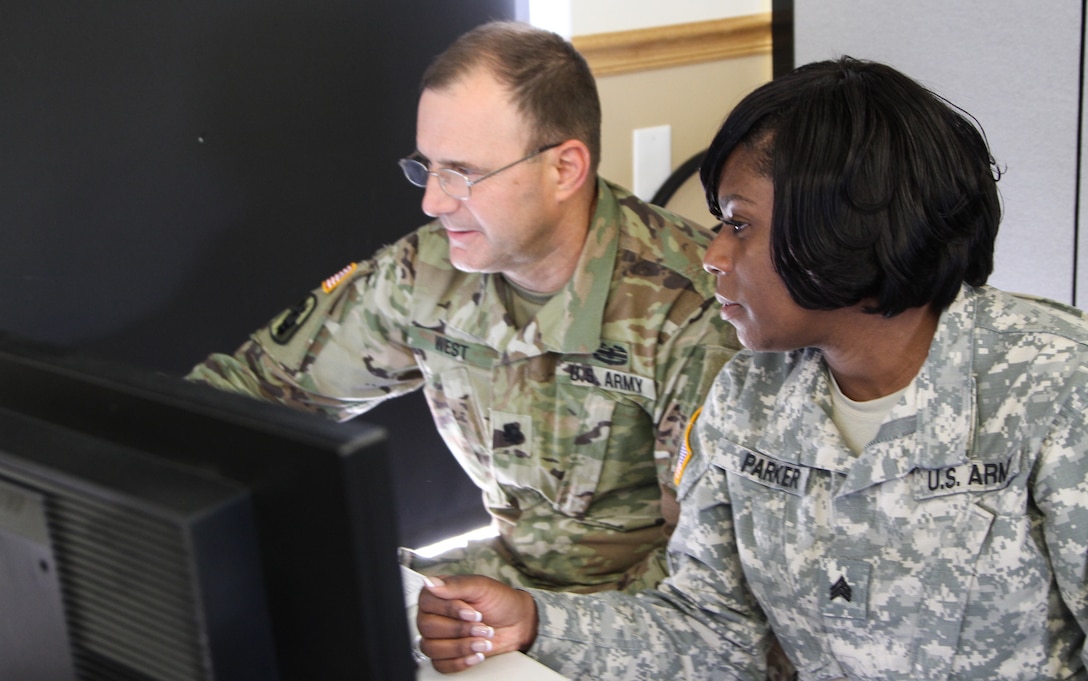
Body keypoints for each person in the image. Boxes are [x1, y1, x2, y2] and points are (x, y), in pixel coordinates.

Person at [415, 56, 1088, 679]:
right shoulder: (746, 397)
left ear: (842, 230)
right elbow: (712, 632)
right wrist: (535, 622)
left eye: (738, 224)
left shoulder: (1055, 386)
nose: (711, 254)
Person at [187, 20, 739, 595]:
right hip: (513, 587)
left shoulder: (695, 311)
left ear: (564, 169)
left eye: (464, 173)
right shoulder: (429, 272)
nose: (433, 200)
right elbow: (255, 395)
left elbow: (713, 588)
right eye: (427, 166)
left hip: (640, 619)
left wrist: (530, 627)